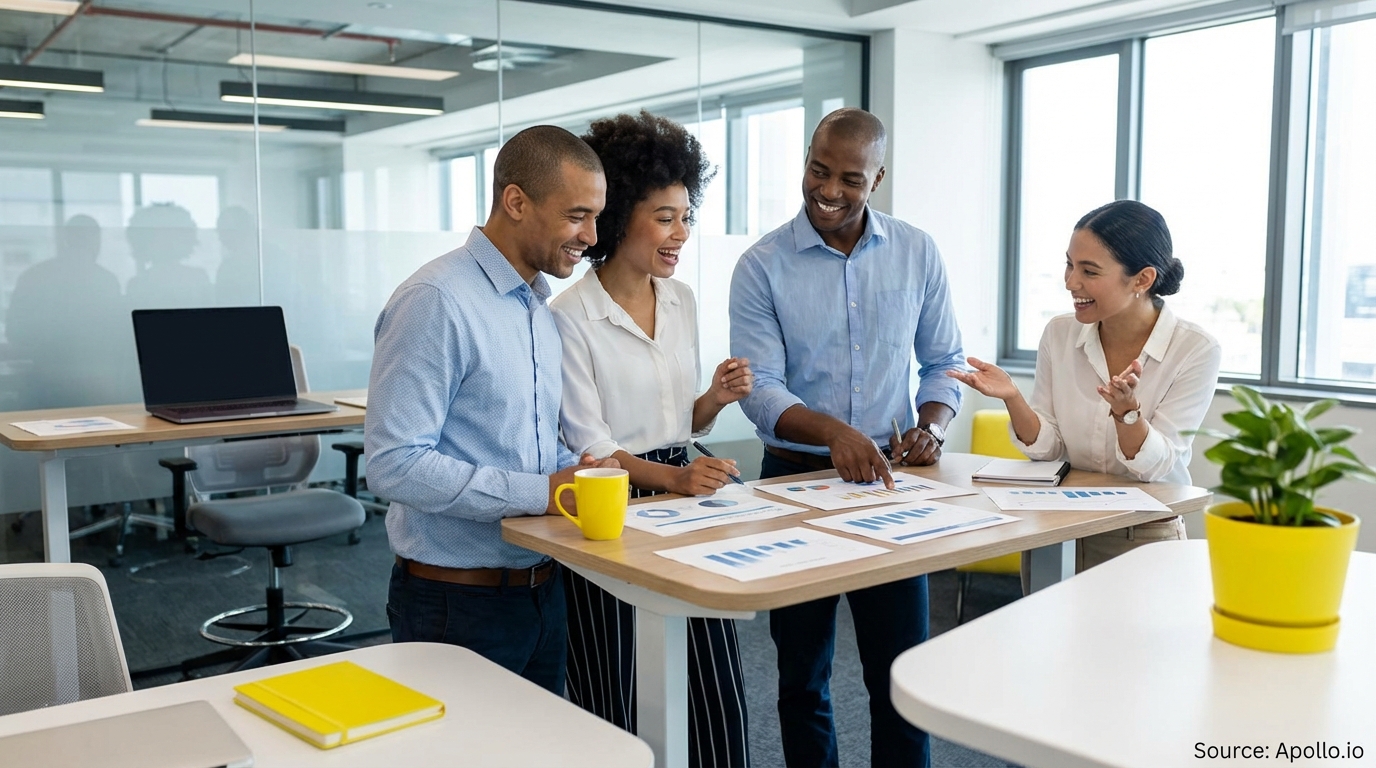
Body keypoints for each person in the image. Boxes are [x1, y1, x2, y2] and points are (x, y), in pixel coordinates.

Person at [729, 107, 965, 768]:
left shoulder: (918, 251)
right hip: (794, 481)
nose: (828, 190)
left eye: (851, 179)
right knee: (802, 677)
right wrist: (836, 433)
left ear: (877, 178)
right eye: (818, 169)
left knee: (902, 678)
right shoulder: (761, 265)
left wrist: (931, 427)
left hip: (890, 485)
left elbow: (944, 360)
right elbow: (760, 386)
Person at [364, 125, 618, 693]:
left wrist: (578, 473)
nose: (591, 236)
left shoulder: (536, 307)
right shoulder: (436, 301)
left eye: (596, 217)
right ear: (516, 201)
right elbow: (393, 464)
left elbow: (522, 442)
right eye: (577, 215)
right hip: (455, 603)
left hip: (542, 591)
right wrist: (543, 492)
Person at [551, 111, 754, 767]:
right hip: (613, 505)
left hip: (685, 495)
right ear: (617, 219)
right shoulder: (569, 317)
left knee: (714, 678)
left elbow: (678, 424)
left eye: (686, 217)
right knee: (618, 683)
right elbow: (592, 449)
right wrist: (675, 478)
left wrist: (714, 398)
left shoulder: (681, 299)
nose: (681, 234)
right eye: (665, 218)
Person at [948, 199, 1221, 575]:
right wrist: (1013, 397)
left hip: (1142, 535)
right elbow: (1049, 449)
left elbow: (1157, 467)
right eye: (1069, 264)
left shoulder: (1195, 349)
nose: (1070, 282)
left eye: (1089, 271)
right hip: (1057, 528)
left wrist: (1127, 415)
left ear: (1142, 279)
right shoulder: (1059, 333)